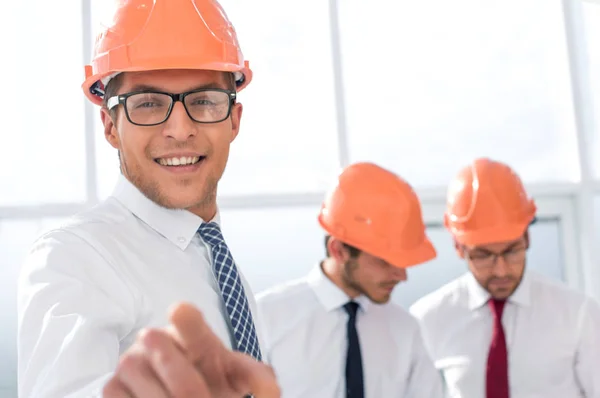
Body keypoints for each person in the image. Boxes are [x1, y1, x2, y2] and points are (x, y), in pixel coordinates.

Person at [17, 0, 280, 397]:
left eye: (205, 100)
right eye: (148, 104)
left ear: (234, 120)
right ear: (110, 126)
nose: (180, 129)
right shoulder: (73, 258)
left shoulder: (222, 267)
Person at [409, 157, 600, 398]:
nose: (501, 270)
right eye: (483, 255)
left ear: (527, 238)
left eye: (511, 251)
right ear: (459, 248)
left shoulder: (578, 314)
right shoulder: (428, 319)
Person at [256, 162, 444, 398]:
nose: (402, 276)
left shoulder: (406, 330)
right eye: (385, 262)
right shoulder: (265, 318)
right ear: (339, 251)